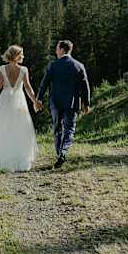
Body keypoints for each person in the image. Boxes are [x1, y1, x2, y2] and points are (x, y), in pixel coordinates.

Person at [0, 45, 40, 172]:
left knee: (3, 127)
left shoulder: (2, 69)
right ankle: (20, 158)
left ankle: (2, 156)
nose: (23, 56)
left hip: (5, 100)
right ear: (15, 56)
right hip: (19, 100)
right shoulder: (24, 70)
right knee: (20, 127)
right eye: (21, 54)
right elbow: (28, 88)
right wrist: (34, 101)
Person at [35, 40, 90, 169]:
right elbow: (85, 86)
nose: (56, 51)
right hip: (72, 102)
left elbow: (44, 83)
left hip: (55, 101)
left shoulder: (53, 65)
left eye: (57, 48)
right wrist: (86, 103)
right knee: (69, 129)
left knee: (57, 127)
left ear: (62, 50)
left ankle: (59, 153)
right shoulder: (79, 65)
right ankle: (63, 152)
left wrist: (39, 99)